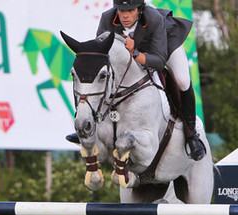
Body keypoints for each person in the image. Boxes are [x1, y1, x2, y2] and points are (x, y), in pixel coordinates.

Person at [68, 0, 206, 161]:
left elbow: (159, 60)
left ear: (140, 9)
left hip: (164, 46)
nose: (125, 15)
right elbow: (102, 54)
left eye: (131, 10)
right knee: (104, 81)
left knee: (182, 80)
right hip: (132, 50)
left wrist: (135, 53)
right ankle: (91, 129)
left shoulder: (153, 18)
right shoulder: (107, 18)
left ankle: (191, 135)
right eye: (121, 10)